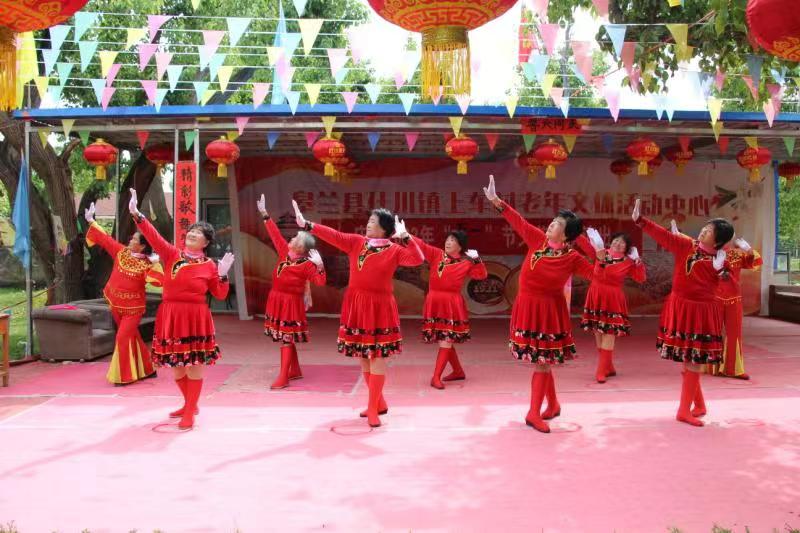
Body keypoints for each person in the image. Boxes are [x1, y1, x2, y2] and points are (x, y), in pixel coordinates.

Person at [292, 200, 423, 427]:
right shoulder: (356, 242)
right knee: (363, 355)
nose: (368, 224)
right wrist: (307, 225)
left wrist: (405, 237)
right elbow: (334, 235)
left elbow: (417, 259)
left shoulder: (394, 250)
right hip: (357, 304)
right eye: (368, 221)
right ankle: (378, 403)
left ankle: (373, 409)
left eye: (372, 221)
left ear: (384, 228)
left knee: (377, 355)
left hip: (380, 306)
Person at [484, 175, 594, 433]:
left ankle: (534, 413)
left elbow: (599, 276)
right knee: (542, 359)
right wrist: (496, 201)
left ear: (566, 235)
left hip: (549, 311)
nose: (551, 225)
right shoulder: (538, 240)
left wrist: (597, 253)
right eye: (552, 222)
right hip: (527, 305)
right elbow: (518, 222)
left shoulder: (573, 258)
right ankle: (552, 404)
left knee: (542, 360)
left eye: (557, 224)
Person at [128, 188, 235, 431]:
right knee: (176, 367)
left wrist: (222, 275)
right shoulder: (172, 254)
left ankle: (189, 412)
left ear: (206, 243)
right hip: (171, 315)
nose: (192, 234)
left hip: (196, 317)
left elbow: (219, 294)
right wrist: (137, 214)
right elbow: (153, 236)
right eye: (191, 231)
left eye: (198, 233)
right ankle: (189, 404)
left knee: (194, 364)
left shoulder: (210, 266)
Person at [633, 200, 733, 427]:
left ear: (718, 241)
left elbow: (729, 287)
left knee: (694, 359)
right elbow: (663, 236)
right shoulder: (687, 245)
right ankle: (697, 406)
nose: (704, 231)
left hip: (702, 311)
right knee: (688, 358)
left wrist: (721, 271)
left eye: (710, 231)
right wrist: (641, 221)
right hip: (681, 306)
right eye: (705, 227)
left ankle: (685, 410)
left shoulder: (722, 260)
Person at [84, 203, 160, 385]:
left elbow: (160, 281)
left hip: (133, 309)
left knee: (122, 337)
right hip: (115, 303)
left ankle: (123, 376)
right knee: (132, 336)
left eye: (134, 239)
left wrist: (156, 264)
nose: (130, 240)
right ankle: (148, 368)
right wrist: (91, 221)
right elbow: (105, 239)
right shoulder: (121, 252)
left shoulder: (148, 264)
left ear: (142, 246)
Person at [257, 194, 326, 389]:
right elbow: (274, 234)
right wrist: (265, 214)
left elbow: (320, 282)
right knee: (284, 335)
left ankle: (284, 376)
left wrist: (320, 266)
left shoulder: (307, 264)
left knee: (286, 337)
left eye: (296, 238)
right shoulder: (284, 254)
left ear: (301, 246)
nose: (292, 238)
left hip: (291, 303)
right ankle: (294, 370)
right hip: (277, 299)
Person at [411, 230, 487, 389]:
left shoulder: (466, 262)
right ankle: (458, 371)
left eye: (452, 240)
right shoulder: (436, 254)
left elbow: (481, 275)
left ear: (460, 246)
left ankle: (436, 377)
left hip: (451, 304)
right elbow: (421, 245)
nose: (448, 242)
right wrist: (405, 235)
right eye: (447, 239)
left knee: (446, 340)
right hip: (434, 300)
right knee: (446, 339)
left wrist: (477, 260)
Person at [578, 229, 646, 383]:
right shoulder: (600, 252)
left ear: (626, 248)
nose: (618, 243)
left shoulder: (628, 262)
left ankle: (601, 371)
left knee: (609, 332)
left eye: (622, 242)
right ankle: (608, 366)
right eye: (616, 240)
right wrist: (574, 231)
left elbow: (641, 278)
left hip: (613, 299)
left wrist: (638, 262)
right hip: (596, 295)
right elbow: (584, 244)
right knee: (598, 332)